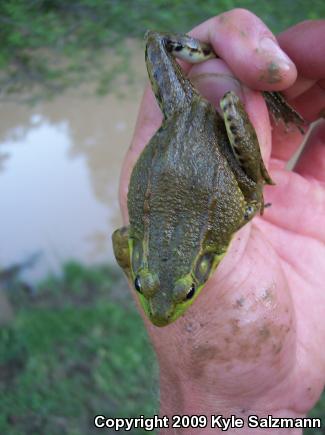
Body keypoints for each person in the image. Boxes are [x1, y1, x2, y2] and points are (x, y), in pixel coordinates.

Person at [118, 10, 325, 432]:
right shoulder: (182, 244)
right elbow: (124, 238)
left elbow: (248, 206)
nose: (161, 313)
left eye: (146, 285)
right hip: (186, 125)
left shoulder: (165, 244)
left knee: (176, 57)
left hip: (184, 122)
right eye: (184, 291)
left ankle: (248, 83)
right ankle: (244, 81)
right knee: (161, 46)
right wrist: (245, 402)